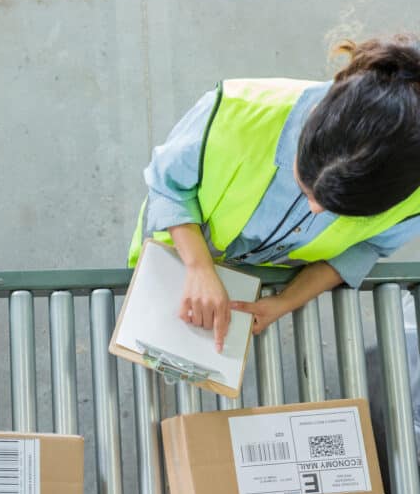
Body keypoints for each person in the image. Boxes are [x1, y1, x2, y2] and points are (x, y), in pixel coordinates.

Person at [129, 34, 420, 351]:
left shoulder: (411, 195)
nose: (314, 210)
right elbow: (167, 185)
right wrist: (198, 267)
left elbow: (367, 247)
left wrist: (286, 301)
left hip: (255, 284)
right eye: (305, 186)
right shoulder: (237, 112)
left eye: (340, 208)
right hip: (174, 251)